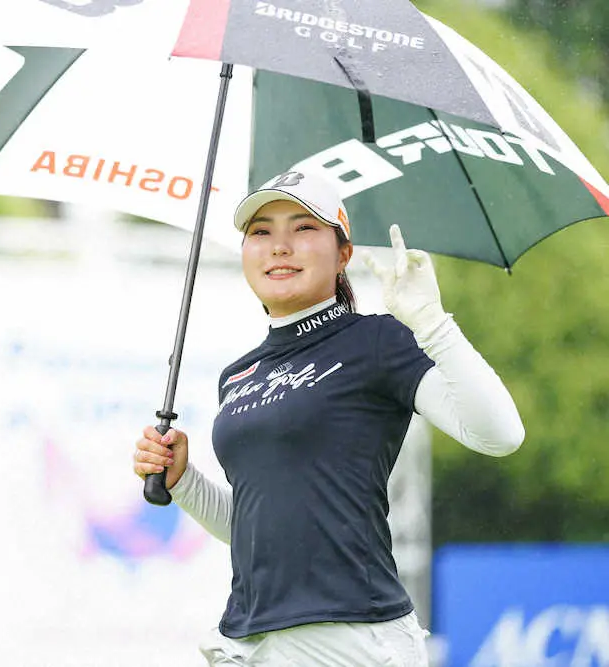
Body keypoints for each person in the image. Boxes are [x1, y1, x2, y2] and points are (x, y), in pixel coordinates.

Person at [132, 170, 524, 667]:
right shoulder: (238, 376)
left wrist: (430, 321)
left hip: (353, 638)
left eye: (303, 228)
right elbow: (255, 528)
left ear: (343, 254)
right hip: (250, 640)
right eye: (261, 232)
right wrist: (183, 480)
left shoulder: (376, 341)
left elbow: (499, 434)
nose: (280, 246)